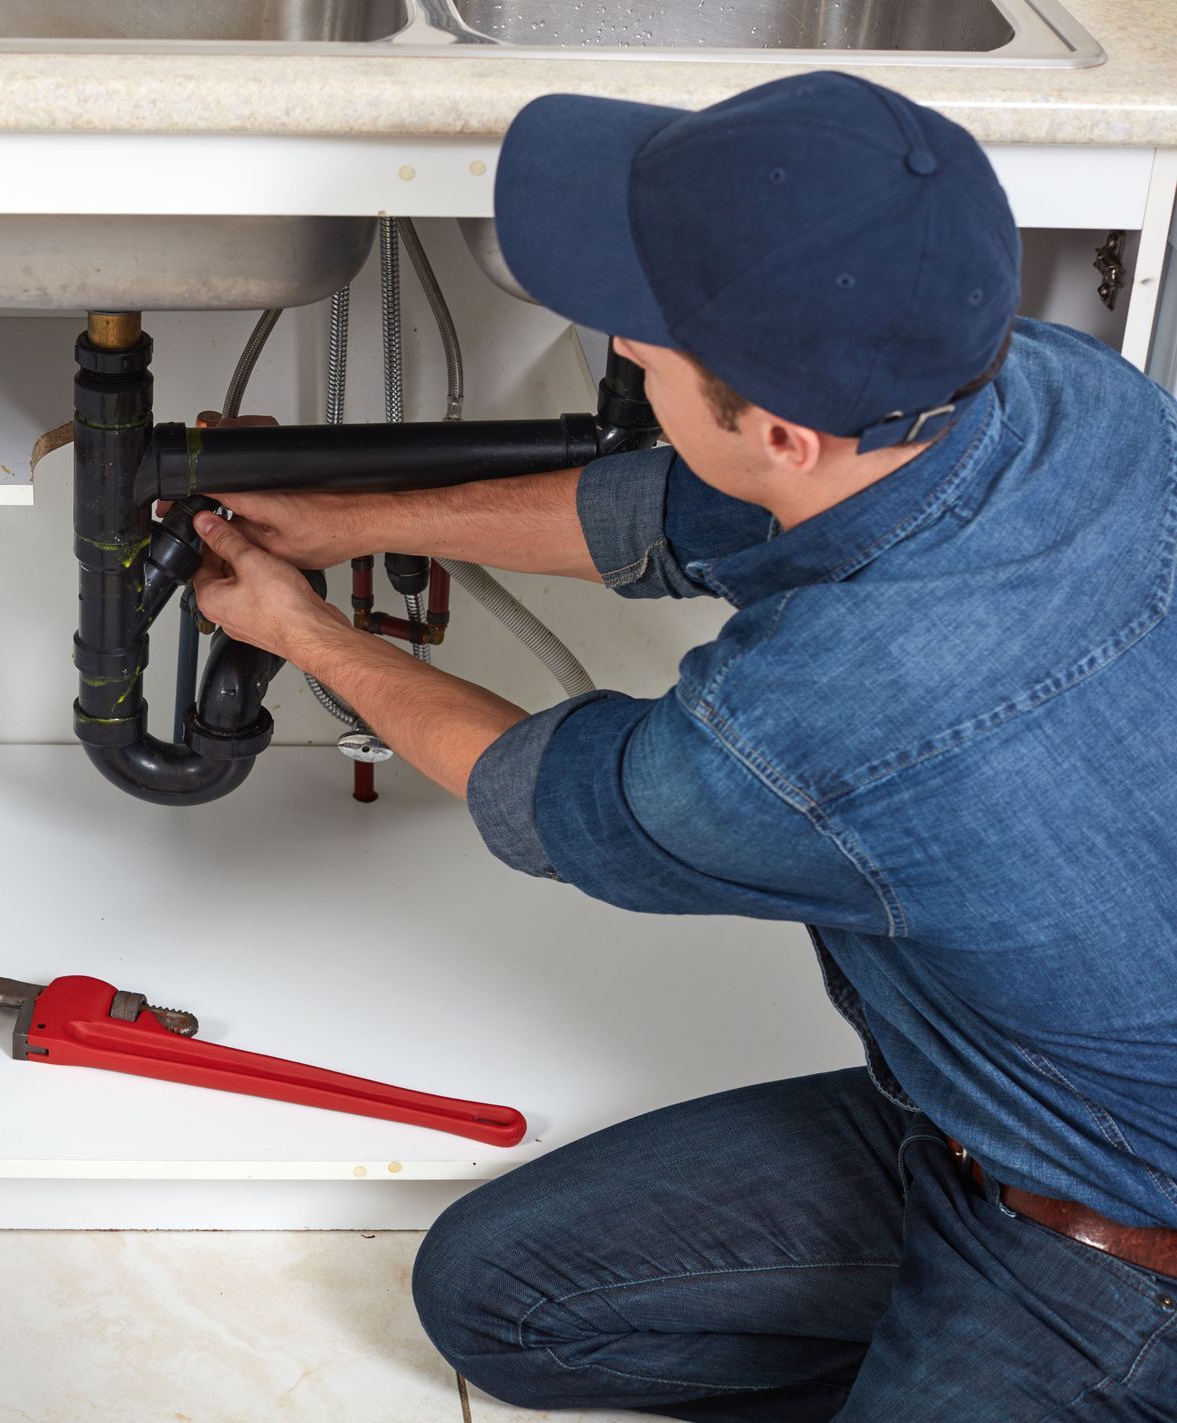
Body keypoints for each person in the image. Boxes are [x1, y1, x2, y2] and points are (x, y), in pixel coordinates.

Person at [187, 72, 1177, 1420]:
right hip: (991, 1117)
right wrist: (352, 520)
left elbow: (539, 793)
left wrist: (303, 631)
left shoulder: (804, 724)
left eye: (643, 353)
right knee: (500, 1297)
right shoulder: (1063, 398)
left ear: (778, 429)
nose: (623, 353)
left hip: (1112, 1253)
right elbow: (677, 507)